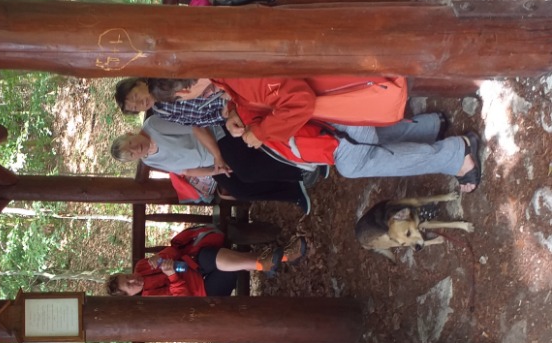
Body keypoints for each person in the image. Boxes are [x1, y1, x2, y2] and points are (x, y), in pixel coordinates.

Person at [149, 77, 482, 193]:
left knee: (354, 164)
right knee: (355, 153)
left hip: (335, 116)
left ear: (185, 90)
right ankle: (428, 128)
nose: (187, 102)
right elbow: (268, 99)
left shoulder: (238, 79)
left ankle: (456, 155)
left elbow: (299, 101)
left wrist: (260, 132)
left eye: (180, 98)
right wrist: (239, 114)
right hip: (331, 118)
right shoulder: (228, 80)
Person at [110, 116, 317, 213]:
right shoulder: (149, 159)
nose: (136, 149)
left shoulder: (153, 126)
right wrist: (214, 169)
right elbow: (186, 170)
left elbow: (196, 128)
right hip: (212, 161)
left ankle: (300, 169)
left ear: (130, 134)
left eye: (131, 144)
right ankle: (293, 192)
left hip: (217, 138)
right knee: (240, 190)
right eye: (132, 154)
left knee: (247, 171)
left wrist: (218, 157)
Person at [105, 225, 307, 298]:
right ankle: (280, 256)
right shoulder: (148, 300)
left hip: (195, 264)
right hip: (203, 290)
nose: (134, 280)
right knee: (229, 265)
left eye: (128, 276)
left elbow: (175, 251)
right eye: (129, 285)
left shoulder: (141, 267)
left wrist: (162, 257)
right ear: (129, 295)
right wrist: (172, 276)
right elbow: (182, 298)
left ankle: (277, 258)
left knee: (210, 256)